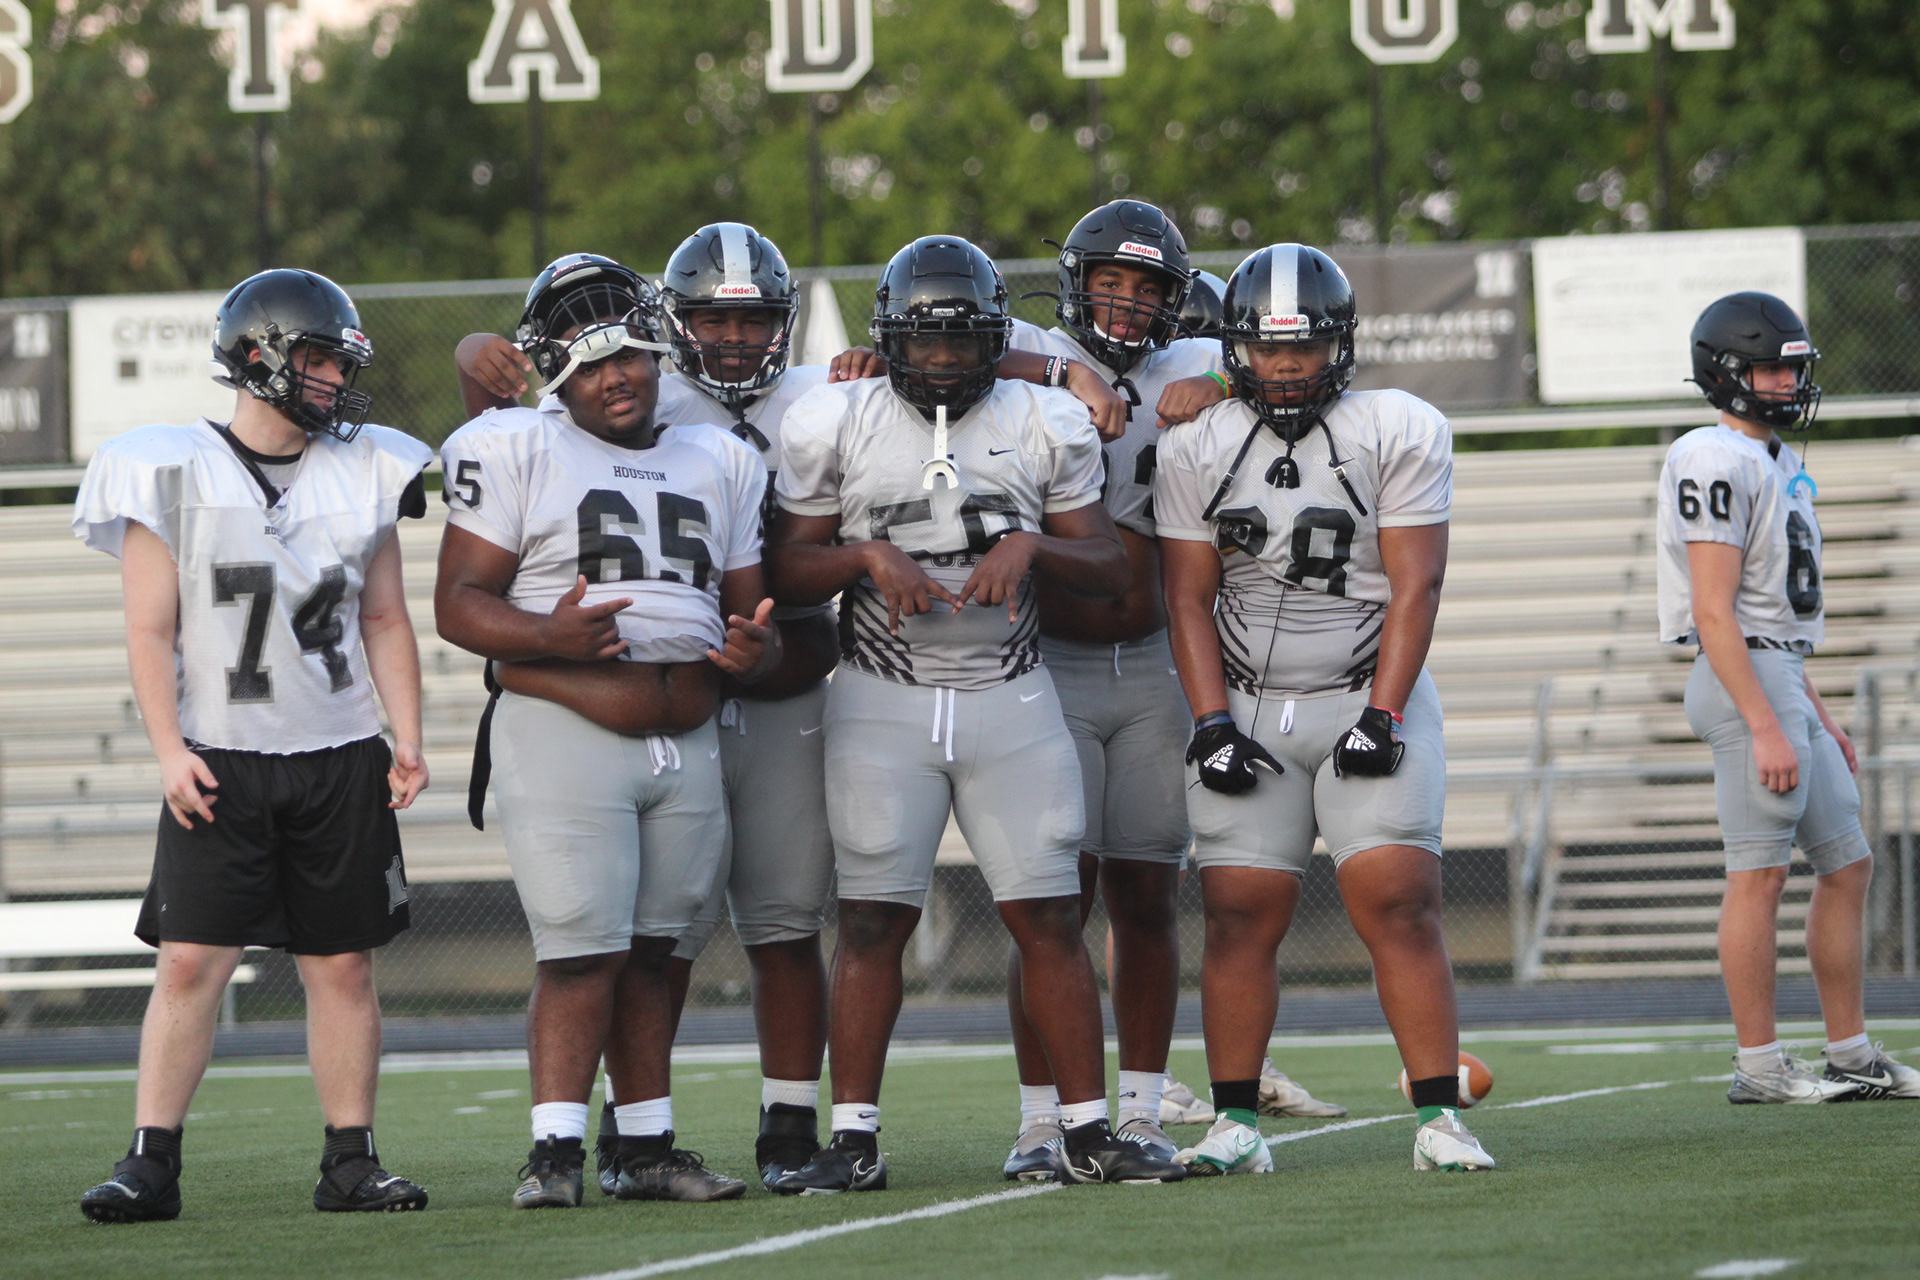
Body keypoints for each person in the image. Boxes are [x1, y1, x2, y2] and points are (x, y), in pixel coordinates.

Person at [767, 235, 1186, 1191]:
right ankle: (855, 1138)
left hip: (1012, 694)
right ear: (889, 339)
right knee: (871, 921)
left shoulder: (1044, 417)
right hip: (882, 697)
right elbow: (786, 568)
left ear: (997, 340)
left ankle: (1084, 1132)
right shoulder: (836, 418)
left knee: (1050, 917)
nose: (945, 359)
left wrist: (1031, 546)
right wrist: (865, 557)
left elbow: (1108, 563)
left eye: (964, 341)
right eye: (927, 341)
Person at [74, 269, 433, 1221]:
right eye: (320, 359)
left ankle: (350, 1160)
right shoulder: (168, 467)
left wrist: (407, 734)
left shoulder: (366, 467)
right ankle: (150, 1162)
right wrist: (167, 749)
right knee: (190, 962)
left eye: (340, 363)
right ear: (261, 357)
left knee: (343, 965)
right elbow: (149, 629)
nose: (336, 380)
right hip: (221, 754)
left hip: (340, 751)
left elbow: (385, 617)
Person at [996, 202, 1344, 1181]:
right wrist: (1060, 376)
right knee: (1051, 900)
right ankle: (1040, 1120)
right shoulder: (1029, 348)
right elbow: (924, 356)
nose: (1126, 301)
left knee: (1147, 892)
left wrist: (1225, 379)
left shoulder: (1195, 354)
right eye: (1110, 281)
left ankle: (1144, 1109)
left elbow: (1301, 363)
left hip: (1155, 658)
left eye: (1147, 287)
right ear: (1075, 282)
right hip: (1048, 659)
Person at [436, 254, 778, 1208]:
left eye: (628, 355)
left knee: (657, 956)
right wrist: (547, 636)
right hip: (568, 725)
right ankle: (552, 1154)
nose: (616, 377)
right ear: (555, 371)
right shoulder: (519, 443)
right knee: (581, 949)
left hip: (688, 738)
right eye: (590, 364)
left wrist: (755, 649)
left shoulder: (720, 456)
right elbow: (458, 603)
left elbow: (753, 614)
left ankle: (646, 1148)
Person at [1153, 244, 1495, 1175]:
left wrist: (1383, 715)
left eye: (1304, 346)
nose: (1287, 365)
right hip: (1248, 704)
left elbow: (1418, 583)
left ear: (1340, 345)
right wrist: (1210, 722)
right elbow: (1186, 596)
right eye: (1268, 347)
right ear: (1236, 348)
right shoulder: (1196, 443)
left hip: (1363, 691)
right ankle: (1235, 1125)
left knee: (1400, 902)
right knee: (1236, 913)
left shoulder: (1398, 427)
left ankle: (1440, 1119)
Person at [1659, 292, 1914, 1103]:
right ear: (1726, 373)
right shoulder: (1713, 456)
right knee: (1759, 875)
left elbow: (1777, 620)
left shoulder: (1776, 462)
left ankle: (1851, 1053)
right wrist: (1767, 725)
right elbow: (1715, 612)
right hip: (1745, 684)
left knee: (1848, 863)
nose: (1787, 382)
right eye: (1770, 369)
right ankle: (1760, 1065)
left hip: (1781, 674)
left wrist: (1818, 716)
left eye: (1792, 368)